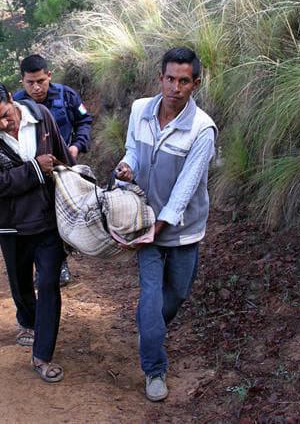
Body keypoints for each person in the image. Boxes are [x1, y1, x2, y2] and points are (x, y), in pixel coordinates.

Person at [114, 47, 217, 402]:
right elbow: (131, 151)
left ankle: (149, 328)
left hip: (185, 228)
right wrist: (126, 169)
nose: (175, 87)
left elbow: (188, 185)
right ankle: (155, 369)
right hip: (145, 222)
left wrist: (163, 224)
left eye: (183, 81)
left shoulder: (202, 129)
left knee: (177, 294)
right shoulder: (140, 110)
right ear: (160, 78)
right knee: (151, 294)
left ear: (195, 84)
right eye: (170, 79)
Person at [0, 79, 74, 383]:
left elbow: (63, 157)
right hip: (11, 225)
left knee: (50, 283)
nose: (2, 123)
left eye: (4, 115)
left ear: (11, 98)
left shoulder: (41, 116)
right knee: (21, 282)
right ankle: (26, 319)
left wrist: (82, 186)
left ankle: (42, 355)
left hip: (48, 221)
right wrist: (37, 169)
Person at [13, 54, 94, 286]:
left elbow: (84, 122)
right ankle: (46, 268)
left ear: (49, 75)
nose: (36, 87)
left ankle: (62, 260)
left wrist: (77, 147)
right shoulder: (16, 104)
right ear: (22, 81)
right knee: (39, 220)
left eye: (41, 81)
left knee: (64, 218)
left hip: (66, 169)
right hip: (34, 171)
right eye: (30, 82)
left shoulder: (67, 96)